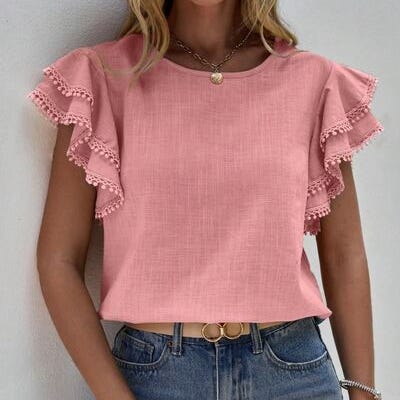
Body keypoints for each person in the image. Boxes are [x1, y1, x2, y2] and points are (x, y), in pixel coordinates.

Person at [27, 1, 384, 399]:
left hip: (292, 373)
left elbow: (344, 253)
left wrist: (364, 393)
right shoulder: (100, 77)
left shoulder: (315, 82)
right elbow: (58, 260)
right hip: (156, 378)